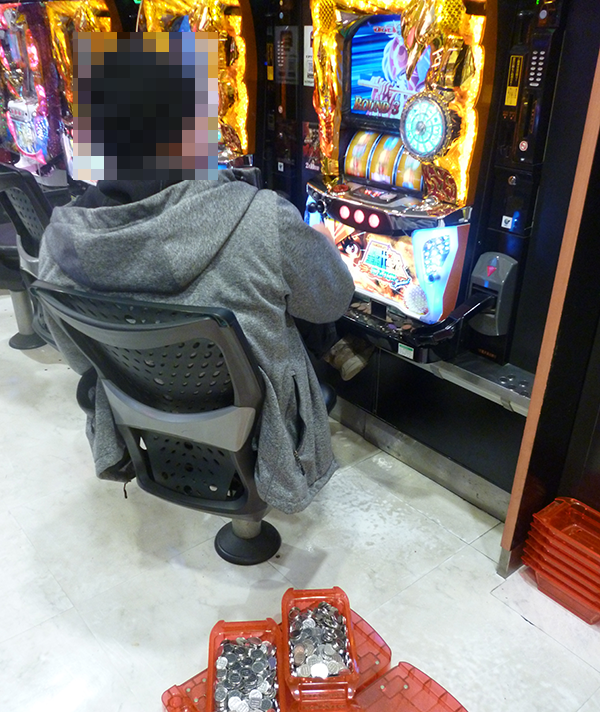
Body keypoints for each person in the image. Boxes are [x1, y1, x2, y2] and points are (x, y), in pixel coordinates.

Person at [38, 32, 355, 515]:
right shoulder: (261, 217)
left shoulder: (60, 242)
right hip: (263, 426)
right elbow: (332, 300)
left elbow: (78, 359)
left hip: (141, 409)